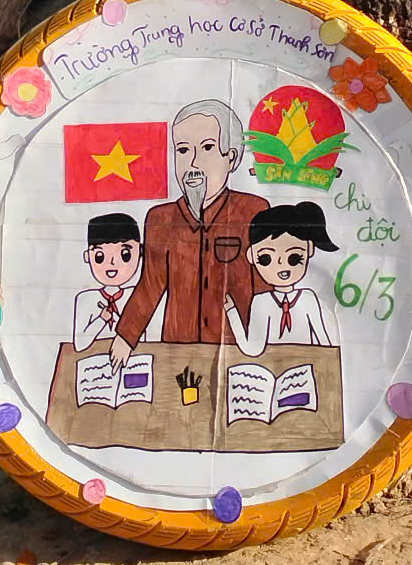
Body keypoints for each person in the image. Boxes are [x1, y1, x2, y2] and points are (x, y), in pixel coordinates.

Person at [109, 99, 268, 370]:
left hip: (240, 353)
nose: (192, 162)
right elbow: (150, 286)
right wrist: (126, 336)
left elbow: (266, 287)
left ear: (230, 157)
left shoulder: (253, 211)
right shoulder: (160, 219)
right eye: (183, 150)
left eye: (207, 148)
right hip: (177, 352)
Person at [224, 202, 337, 355]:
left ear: (309, 249)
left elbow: (324, 343)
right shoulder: (261, 301)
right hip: (271, 368)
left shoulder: (309, 299)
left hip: (307, 366)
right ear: (251, 256)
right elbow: (253, 349)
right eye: (265, 259)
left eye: (294, 258)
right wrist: (232, 313)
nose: (281, 265)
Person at [73, 212, 142, 351]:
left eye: (125, 255)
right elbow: (79, 345)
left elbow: (145, 338)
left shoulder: (136, 295)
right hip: (93, 361)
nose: (112, 263)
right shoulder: (86, 299)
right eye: (100, 257)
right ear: (87, 256)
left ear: (140, 252)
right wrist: (101, 320)